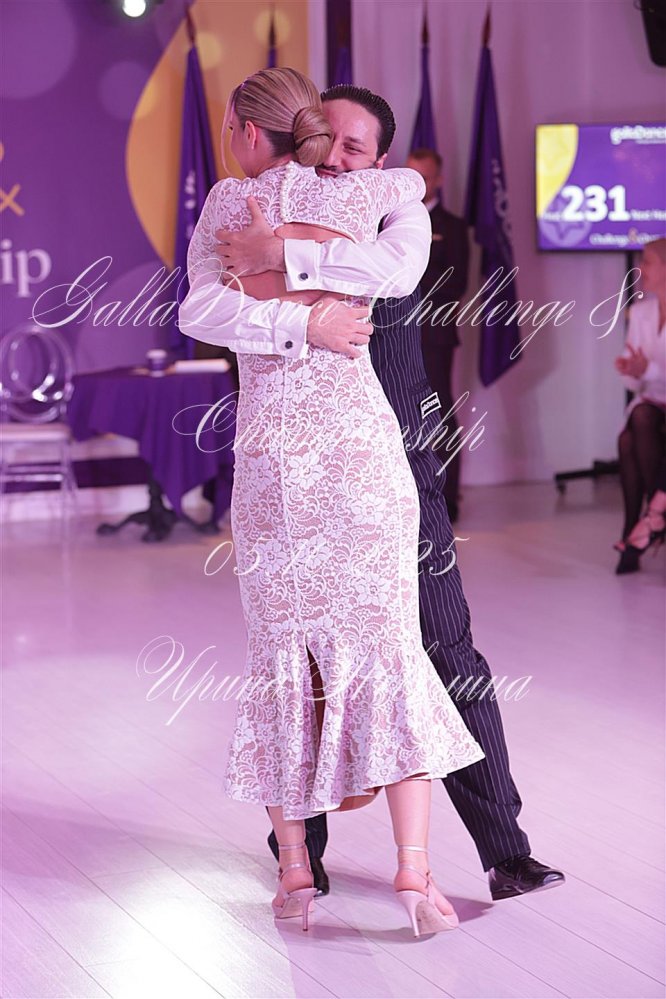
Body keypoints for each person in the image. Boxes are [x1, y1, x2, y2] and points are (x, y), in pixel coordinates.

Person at [181, 82, 565, 905]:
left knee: (443, 645)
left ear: (379, 156)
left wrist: (283, 252)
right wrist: (292, 299)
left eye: (354, 148)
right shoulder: (272, 201)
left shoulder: (390, 208)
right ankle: (302, 858)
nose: (335, 161)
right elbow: (203, 305)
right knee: (297, 654)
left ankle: (505, 850)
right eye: (326, 141)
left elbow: (396, 272)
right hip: (290, 466)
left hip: (393, 463)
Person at [405, 147, 469, 522]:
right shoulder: (390, 221)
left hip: (434, 334)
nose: (418, 184)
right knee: (400, 412)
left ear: (439, 180)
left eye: (425, 177)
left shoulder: (454, 227)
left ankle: (448, 497)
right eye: (412, 176)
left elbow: (456, 284)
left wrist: (407, 281)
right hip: (394, 335)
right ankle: (410, 496)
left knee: (440, 412)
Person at [614, 237, 666, 573]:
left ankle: (641, 527)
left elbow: (651, 372)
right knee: (638, 423)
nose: (640, 269)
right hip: (653, 403)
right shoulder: (641, 313)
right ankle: (654, 520)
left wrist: (646, 370)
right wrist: (631, 371)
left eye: (647, 262)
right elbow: (635, 385)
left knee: (632, 435)